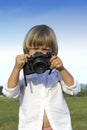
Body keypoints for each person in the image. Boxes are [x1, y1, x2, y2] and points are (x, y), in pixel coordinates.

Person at [2, 24, 81, 130]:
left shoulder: (56, 71)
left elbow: (74, 90)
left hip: (58, 126)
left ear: (52, 52)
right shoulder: (23, 72)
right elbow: (9, 93)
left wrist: (62, 69)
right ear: (27, 50)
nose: (39, 53)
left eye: (45, 49)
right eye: (35, 49)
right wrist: (16, 68)